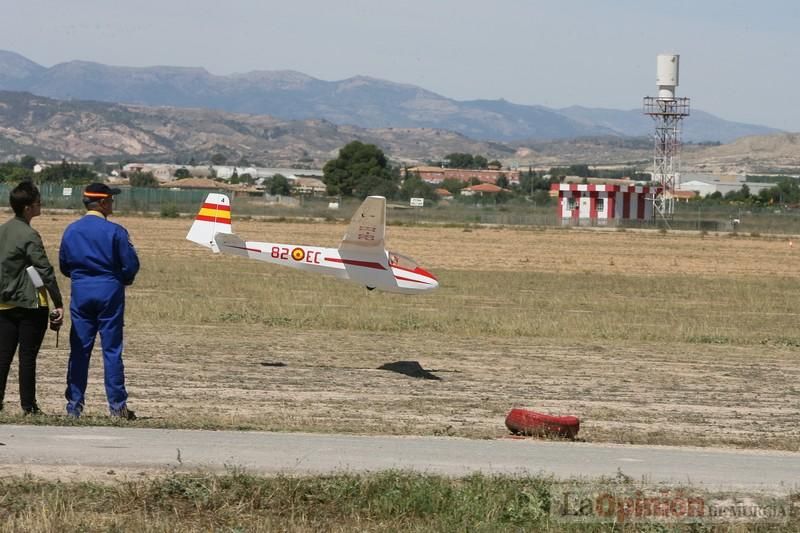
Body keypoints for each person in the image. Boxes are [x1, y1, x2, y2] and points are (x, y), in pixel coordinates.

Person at [59, 183, 139, 419]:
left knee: (80, 349)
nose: (113, 204)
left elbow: (64, 265)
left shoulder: (71, 230)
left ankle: (74, 406)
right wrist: (121, 279)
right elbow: (130, 265)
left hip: (81, 291)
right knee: (112, 350)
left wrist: (81, 277)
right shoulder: (115, 231)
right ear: (103, 203)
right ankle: (117, 407)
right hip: (109, 291)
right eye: (111, 200)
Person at [0, 182, 64, 414]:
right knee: (27, 357)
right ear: (28, 208)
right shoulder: (29, 235)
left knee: (3, 356)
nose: (41, 205)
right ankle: (29, 406)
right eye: (38, 203)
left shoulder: (3, 230)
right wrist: (58, 302)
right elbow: (44, 270)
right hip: (31, 302)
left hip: (4, 303)